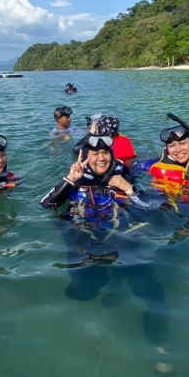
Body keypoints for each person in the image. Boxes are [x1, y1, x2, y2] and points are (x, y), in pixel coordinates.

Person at [40, 135, 169, 350]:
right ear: (85, 157)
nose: (101, 158)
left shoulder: (124, 175)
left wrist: (129, 189)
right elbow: (46, 205)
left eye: (105, 153)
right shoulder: (75, 180)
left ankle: (159, 344)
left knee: (149, 290)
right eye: (95, 154)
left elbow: (152, 210)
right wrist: (70, 180)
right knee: (82, 291)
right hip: (82, 239)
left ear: (112, 154)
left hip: (121, 238)